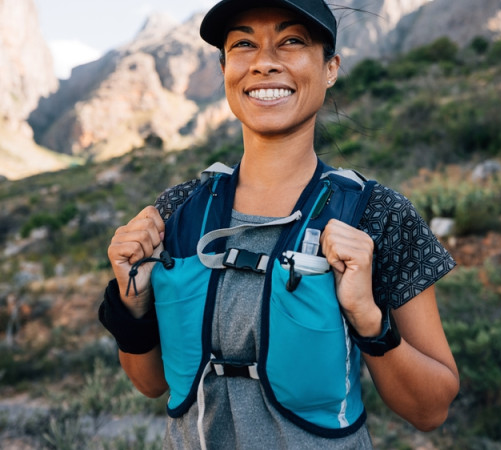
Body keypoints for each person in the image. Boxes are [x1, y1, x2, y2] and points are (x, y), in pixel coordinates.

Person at [98, 0, 460, 448]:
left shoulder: (378, 215)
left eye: (291, 41)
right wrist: (131, 304)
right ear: (225, 68)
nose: (265, 62)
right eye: (244, 44)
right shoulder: (177, 211)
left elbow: (431, 409)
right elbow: (151, 383)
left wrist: (369, 318)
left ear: (330, 68)